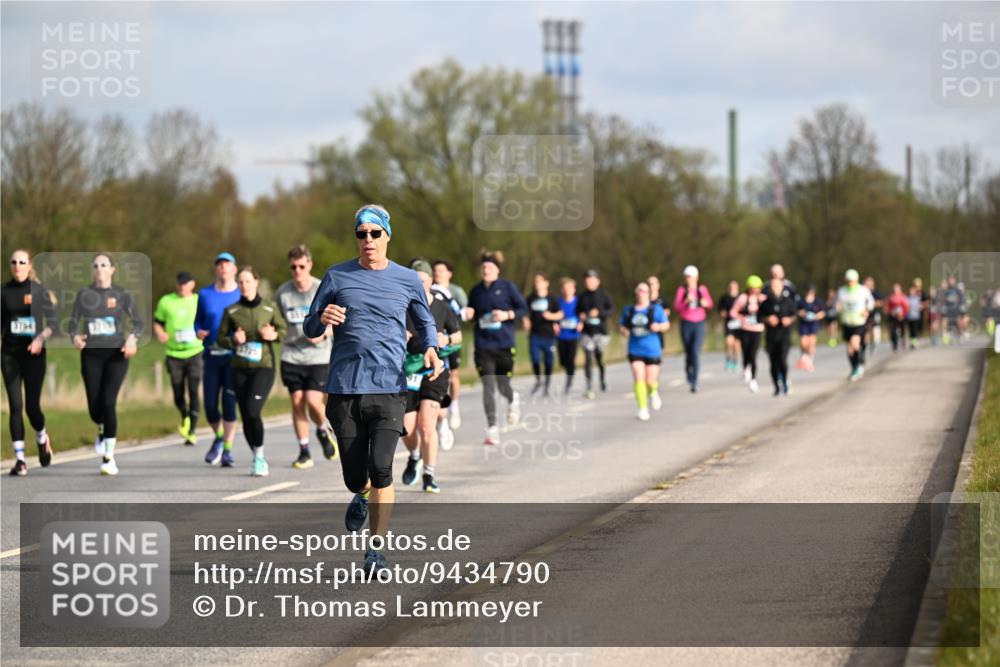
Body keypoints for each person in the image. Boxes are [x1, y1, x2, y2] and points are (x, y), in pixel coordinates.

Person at [303, 204, 442, 575]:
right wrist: (321, 318)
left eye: (374, 233)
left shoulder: (408, 280)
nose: (368, 240)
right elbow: (309, 328)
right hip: (344, 389)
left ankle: (376, 550)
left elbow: (425, 323)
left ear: (387, 236)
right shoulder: (336, 277)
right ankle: (360, 494)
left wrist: (431, 347)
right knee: (355, 476)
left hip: (389, 388)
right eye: (361, 234)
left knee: (382, 468)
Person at [68, 253, 144, 475]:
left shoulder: (122, 294)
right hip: (91, 355)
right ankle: (101, 428)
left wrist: (132, 339)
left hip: (116, 355)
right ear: (93, 270)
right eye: (96, 265)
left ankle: (109, 457)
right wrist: (75, 337)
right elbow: (72, 323)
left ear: (112, 270)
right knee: (94, 408)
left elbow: (138, 323)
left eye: (104, 265)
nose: (100, 269)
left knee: (108, 402)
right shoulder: (84, 294)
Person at [216, 267, 286, 477]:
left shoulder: (269, 308)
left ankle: (260, 456)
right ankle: (257, 455)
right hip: (239, 368)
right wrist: (233, 341)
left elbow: (283, 331)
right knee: (246, 416)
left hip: (263, 367)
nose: (244, 286)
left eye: (248, 281)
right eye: (241, 282)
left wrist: (273, 334)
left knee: (254, 411)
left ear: (256, 282)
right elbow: (220, 339)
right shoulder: (232, 311)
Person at [401, 259, 461, 493]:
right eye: (413, 279)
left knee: (427, 425)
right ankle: (414, 455)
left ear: (430, 281)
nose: (418, 283)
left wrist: (445, 339)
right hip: (408, 371)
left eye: (422, 279)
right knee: (406, 428)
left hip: (434, 371)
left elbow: (457, 337)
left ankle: (429, 474)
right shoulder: (401, 307)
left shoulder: (442, 308)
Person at [275, 245, 338, 469]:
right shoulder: (283, 292)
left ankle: (322, 429)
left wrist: (323, 334)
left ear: (309, 265)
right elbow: (280, 322)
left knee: (313, 400)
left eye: (302, 266)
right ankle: (304, 451)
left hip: (318, 356)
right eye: (293, 267)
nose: (298, 271)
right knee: (296, 402)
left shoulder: (322, 288)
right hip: (292, 355)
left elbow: (337, 322)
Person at [464, 250, 528, 445]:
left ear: (497, 270)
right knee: (488, 386)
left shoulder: (507, 287)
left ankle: (512, 398)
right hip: (483, 345)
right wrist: (469, 314)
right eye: (483, 268)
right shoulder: (476, 291)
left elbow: (523, 308)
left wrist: (507, 315)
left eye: (489, 267)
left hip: (504, 344)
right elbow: (472, 315)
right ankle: (492, 428)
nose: (486, 270)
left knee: (503, 385)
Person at [3, 249, 57, 476]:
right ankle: (20, 460)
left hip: (34, 355)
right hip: (10, 354)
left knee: (33, 407)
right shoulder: (3, 291)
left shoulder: (39, 291)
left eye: (21, 262)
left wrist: (39, 339)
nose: (17, 266)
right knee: (15, 406)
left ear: (29, 265)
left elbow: (53, 324)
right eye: (13, 262)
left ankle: (42, 437)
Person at [195, 252, 241, 467]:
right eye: (219, 264)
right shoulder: (204, 294)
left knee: (229, 404)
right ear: (216, 269)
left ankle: (228, 450)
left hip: (233, 357)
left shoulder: (241, 293)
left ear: (234, 269)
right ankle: (219, 437)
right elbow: (198, 322)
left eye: (227, 264)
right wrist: (198, 332)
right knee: (211, 406)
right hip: (211, 356)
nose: (223, 268)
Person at [153, 271, 203, 446]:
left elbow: (208, 320)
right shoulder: (166, 301)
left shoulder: (199, 300)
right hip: (174, 354)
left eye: (186, 283)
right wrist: (160, 333)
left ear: (192, 284)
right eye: (180, 283)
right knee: (177, 392)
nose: (182, 286)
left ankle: (192, 430)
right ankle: (184, 415)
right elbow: (157, 321)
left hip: (195, 352)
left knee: (194, 390)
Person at [619, 282, 669, 420]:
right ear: (636, 293)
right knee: (638, 376)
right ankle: (643, 408)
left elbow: (666, 324)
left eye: (645, 291)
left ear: (649, 293)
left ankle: (653, 392)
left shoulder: (655, 309)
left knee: (650, 380)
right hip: (635, 349)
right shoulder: (629, 310)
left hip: (652, 349)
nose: (642, 293)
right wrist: (624, 331)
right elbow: (622, 326)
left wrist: (658, 326)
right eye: (639, 291)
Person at [431, 259, 468, 430]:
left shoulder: (454, 291)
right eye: (435, 270)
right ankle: (442, 416)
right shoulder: (428, 289)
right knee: (440, 377)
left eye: (441, 270)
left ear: (448, 273)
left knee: (453, 377)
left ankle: (454, 405)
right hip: (437, 342)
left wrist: (467, 313)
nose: (437, 273)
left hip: (451, 339)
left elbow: (462, 311)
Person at [673, 265, 714, 393]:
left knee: (695, 352)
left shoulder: (702, 289)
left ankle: (694, 381)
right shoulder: (682, 290)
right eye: (687, 277)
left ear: (696, 277)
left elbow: (710, 304)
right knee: (689, 352)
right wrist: (685, 301)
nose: (689, 279)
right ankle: (688, 371)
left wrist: (704, 303)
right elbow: (677, 307)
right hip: (686, 323)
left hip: (699, 323)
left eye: (691, 277)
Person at [575, 269, 614, 399]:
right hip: (587, 332)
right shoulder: (582, 296)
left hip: (601, 332)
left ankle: (602, 378)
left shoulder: (604, 295)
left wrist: (599, 313)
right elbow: (577, 311)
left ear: (597, 281)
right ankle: (589, 386)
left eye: (591, 280)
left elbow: (611, 310)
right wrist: (581, 316)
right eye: (587, 280)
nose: (589, 282)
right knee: (587, 357)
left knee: (599, 356)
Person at [524, 273, 562, 397]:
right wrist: (526, 321)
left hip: (549, 335)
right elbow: (524, 312)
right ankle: (538, 380)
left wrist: (552, 317)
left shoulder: (552, 298)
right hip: (535, 334)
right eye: (536, 282)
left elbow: (560, 314)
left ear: (546, 283)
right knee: (535, 359)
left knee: (549, 362)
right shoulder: (531, 298)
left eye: (540, 281)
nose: (537, 284)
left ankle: (547, 384)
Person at [761, 265, 797, 396]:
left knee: (782, 359)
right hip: (771, 334)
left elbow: (795, 312)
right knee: (773, 361)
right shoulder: (766, 298)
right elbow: (760, 316)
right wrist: (767, 319)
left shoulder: (788, 295)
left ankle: (785, 380)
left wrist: (789, 319)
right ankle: (776, 384)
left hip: (784, 334)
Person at [836, 269, 875, 382]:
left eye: (852, 280)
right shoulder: (842, 291)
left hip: (859, 322)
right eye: (848, 280)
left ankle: (859, 365)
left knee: (855, 343)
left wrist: (867, 310)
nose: (850, 282)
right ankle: (853, 368)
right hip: (847, 322)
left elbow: (871, 303)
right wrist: (838, 308)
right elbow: (838, 304)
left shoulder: (863, 290)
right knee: (849, 349)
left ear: (856, 280)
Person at [730, 275, 765, 393]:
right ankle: (746, 368)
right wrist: (741, 318)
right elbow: (733, 312)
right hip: (745, 329)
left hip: (757, 329)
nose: (755, 290)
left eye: (757, 288)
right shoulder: (742, 298)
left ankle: (754, 379)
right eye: (752, 288)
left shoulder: (763, 299)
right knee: (746, 352)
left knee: (753, 355)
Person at [556, 278, 581, 395]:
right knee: (563, 360)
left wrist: (581, 323)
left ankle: (569, 381)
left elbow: (583, 314)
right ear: (562, 290)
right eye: (565, 288)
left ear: (574, 289)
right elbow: (554, 315)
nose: (567, 290)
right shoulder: (558, 302)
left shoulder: (578, 302)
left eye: (569, 288)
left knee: (571, 358)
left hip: (573, 335)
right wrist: (554, 324)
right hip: (561, 335)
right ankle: (568, 370)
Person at [795, 284, 824, 373]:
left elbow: (822, 312)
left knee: (811, 342)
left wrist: (816, 316)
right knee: (804, 342)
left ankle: (810, 361)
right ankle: (804, 355)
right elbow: (796, 311)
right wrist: (801, 313)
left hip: (813, 324)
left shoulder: (817, 301)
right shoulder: (801, 301)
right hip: (804, 324)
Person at [718, 280, 741, 373]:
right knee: (729, 342)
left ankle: (736, 361)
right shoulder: (724, 298)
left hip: (739, 324)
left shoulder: (740, 298)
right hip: (729, 323)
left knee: (737, 344)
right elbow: (720, 310)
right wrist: (723, 313)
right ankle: (729, 358)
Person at [886, 282, 910, 352]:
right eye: (894, 289)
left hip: (901, 316)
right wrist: (890, 312)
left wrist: (903, 314)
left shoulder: (903, 297)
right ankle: (895, 345)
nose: (895, 290)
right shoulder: (891, 297)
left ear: (900, 289)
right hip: (893, 317)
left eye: (897, 289)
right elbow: (887, 307)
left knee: (902, 330)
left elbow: (907, 307)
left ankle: (903, 341)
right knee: (893, 331)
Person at [863, 276, 882, 358]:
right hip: (864, 314)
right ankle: (865, 346)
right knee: (865, 331)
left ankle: (873, 344)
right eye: (867, 284)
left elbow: (880, 303)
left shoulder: (876, 293)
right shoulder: (861, 292)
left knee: (873, 330)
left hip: (874, 314)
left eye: (870, 284)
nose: (868, 285)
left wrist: (872, 304)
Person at [905, 282, 924, 349]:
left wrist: (920, 306)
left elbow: (921, 306)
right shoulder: (907, 299)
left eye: (913, 291)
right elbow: (905, 307)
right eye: (911, 291)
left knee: (915, 330)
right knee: (910, 331)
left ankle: (915, 343)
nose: (912, 292)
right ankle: (912, 343)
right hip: (909, 317)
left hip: (916, 317)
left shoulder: (917, 298)